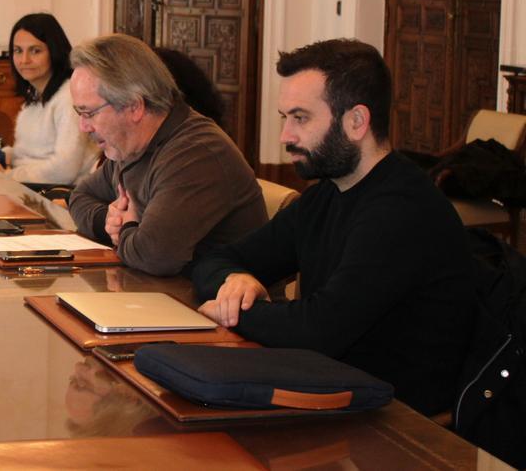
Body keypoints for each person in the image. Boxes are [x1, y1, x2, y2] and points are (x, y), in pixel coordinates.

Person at [192, 39, 475, 417]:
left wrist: (233, 311)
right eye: (285, 118)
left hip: (397, 420)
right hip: (333, 391)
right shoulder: (327, 194)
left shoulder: (402, 210)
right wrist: (237, 279)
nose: (285, 136)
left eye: (300, 118)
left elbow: (318, 331)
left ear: (356, 121)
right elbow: (215, 259)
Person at [66, 34, 266, 276]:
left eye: (89, 113)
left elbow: (153, 256)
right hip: (164, 290)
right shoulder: (131, 144)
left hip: (216, 297)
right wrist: (110, 222)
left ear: (134, 106)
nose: (83, 127)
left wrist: (128, 228)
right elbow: (80, 197)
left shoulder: (195, 154)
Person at [0, 13, 96, 185]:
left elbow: (64, 170)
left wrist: (8, 175)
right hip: (27, 185)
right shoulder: (35, 95)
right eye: (18, 51)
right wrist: (0, 157)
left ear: (54, 52)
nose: (24, 60)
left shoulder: (68, 98)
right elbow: (29, 153)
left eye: (35, 51)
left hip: (59, 193)